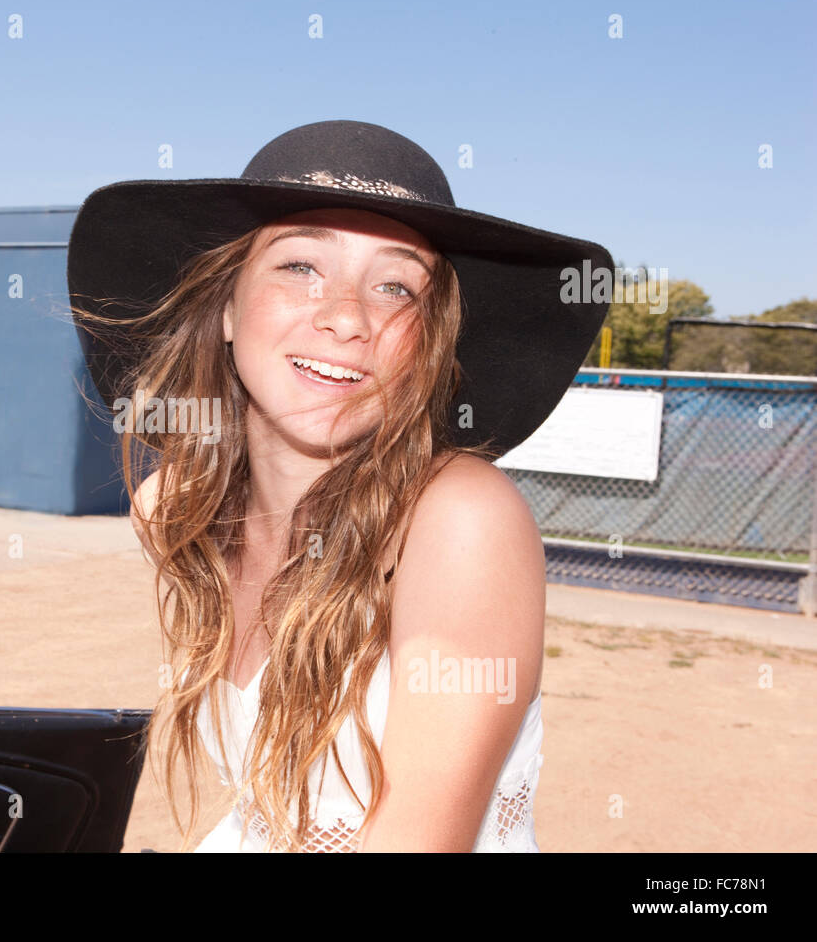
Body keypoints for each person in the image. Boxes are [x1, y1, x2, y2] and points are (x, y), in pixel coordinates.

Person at [66, 120, 613, 852]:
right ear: (228, 308)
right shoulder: (174, 511)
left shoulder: (458, 519)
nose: (349, 318)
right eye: (301, 267)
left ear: (427, 342)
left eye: (394, 286)